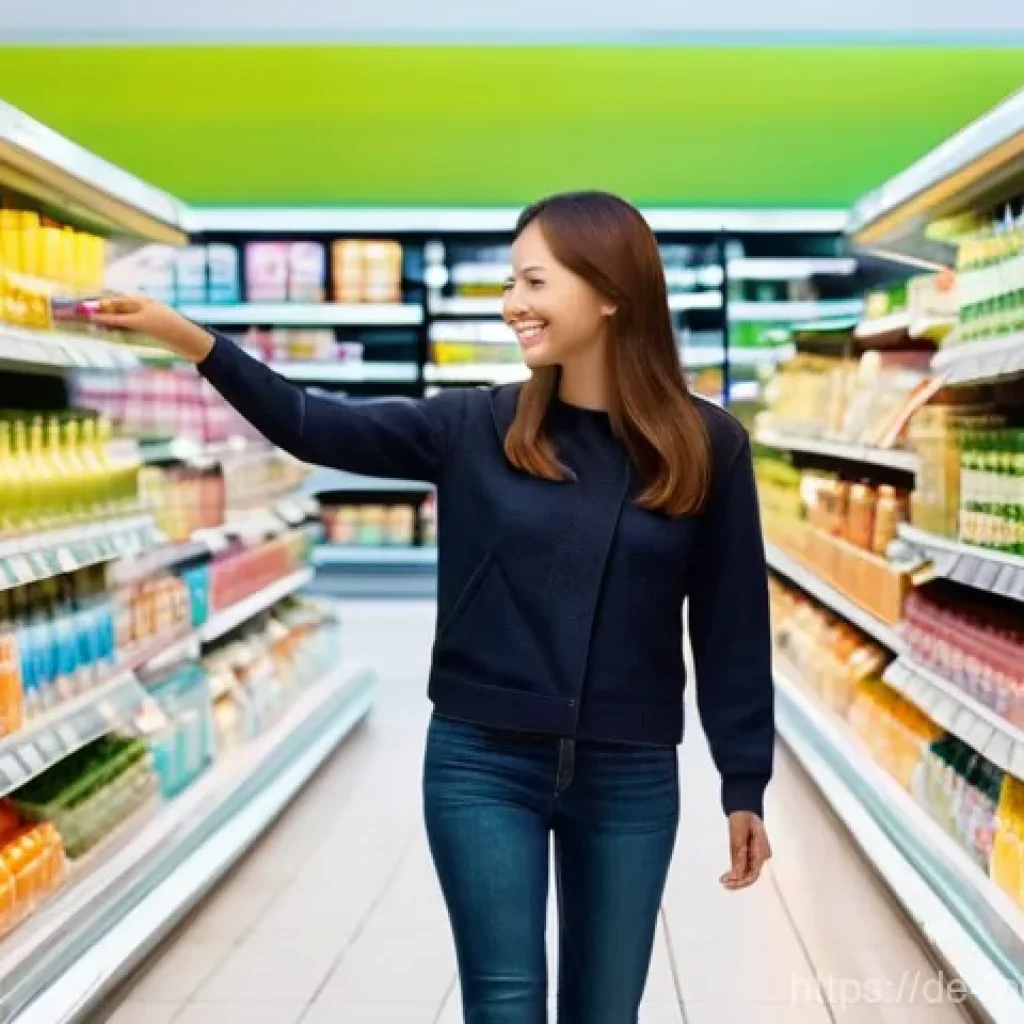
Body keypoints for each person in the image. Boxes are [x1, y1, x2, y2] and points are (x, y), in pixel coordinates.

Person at [93, 191, 774, 1024]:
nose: (512, 303)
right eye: (510, 281)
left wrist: (745, 779)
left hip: (628, 770)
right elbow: (315, 425)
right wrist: (194, 341)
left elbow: (731, 624)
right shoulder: (474, 426)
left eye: (534, 281)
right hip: (482, 761)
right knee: (504, 1006)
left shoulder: (708, 446)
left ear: (610, 293)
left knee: (606, 1012)